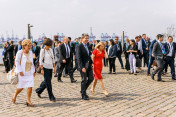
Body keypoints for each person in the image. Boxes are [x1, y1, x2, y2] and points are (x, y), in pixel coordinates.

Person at [12, 39, 35, 107]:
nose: (29, 47)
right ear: (24, 46)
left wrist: (33, 71)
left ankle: (28, 100)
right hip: (22, 73)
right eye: (28, 46)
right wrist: (20, 71)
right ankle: (15, 95)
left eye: (30, 46)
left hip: (29, 72)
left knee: (30, 86)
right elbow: (17, 62)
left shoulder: (30, 53)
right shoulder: (20, 52)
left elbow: (32, 63)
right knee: (21, 87)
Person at [78, 33, 94, 100]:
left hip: (89, 66)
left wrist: (92, 63)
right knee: (84, 80)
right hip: (83, 66)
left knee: (91, 78)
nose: (87, 39)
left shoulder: (87, 46)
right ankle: (83, 94)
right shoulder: (79, 46)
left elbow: (89, 56)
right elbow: (78, 57)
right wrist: (82, 67)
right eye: (85, 38)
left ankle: (83, 90)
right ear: (82, 39)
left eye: (88, 38)